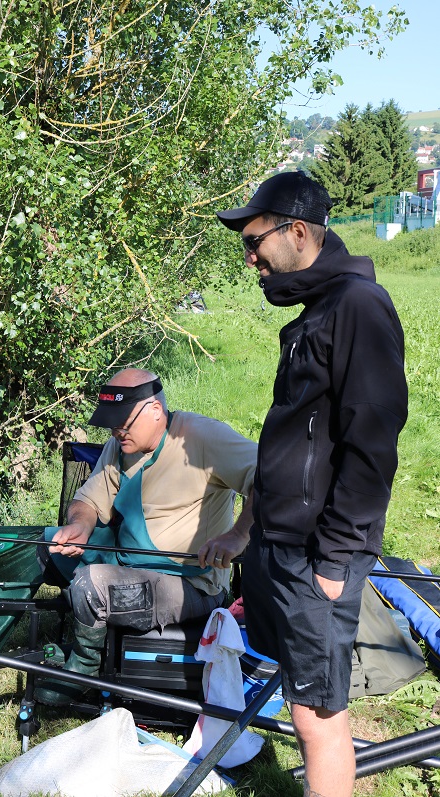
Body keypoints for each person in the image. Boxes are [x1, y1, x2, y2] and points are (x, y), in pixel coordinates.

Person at [200, 171, 408, 797]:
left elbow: (373, 443)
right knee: (301, 699)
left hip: (318, 553)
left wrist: (336, 558)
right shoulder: (318, 310)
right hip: (282, 542)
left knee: (319, 717)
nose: (249, 257)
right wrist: (247, 530)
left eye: (254, 241)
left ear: (297, 231)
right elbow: (290, 443)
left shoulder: (358, 307)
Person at [35, 367, 257, 706]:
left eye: (123, 423)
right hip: (128, 561)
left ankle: (84, 667)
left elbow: (270, 477)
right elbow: (87, 500)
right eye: (112, 424)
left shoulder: (202, 437)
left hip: (191, 583)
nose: (116, 431)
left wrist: (239, 535)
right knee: (42, 547)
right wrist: (80, 525)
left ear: (155, 410)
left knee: (90, 585)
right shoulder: (120, 445)